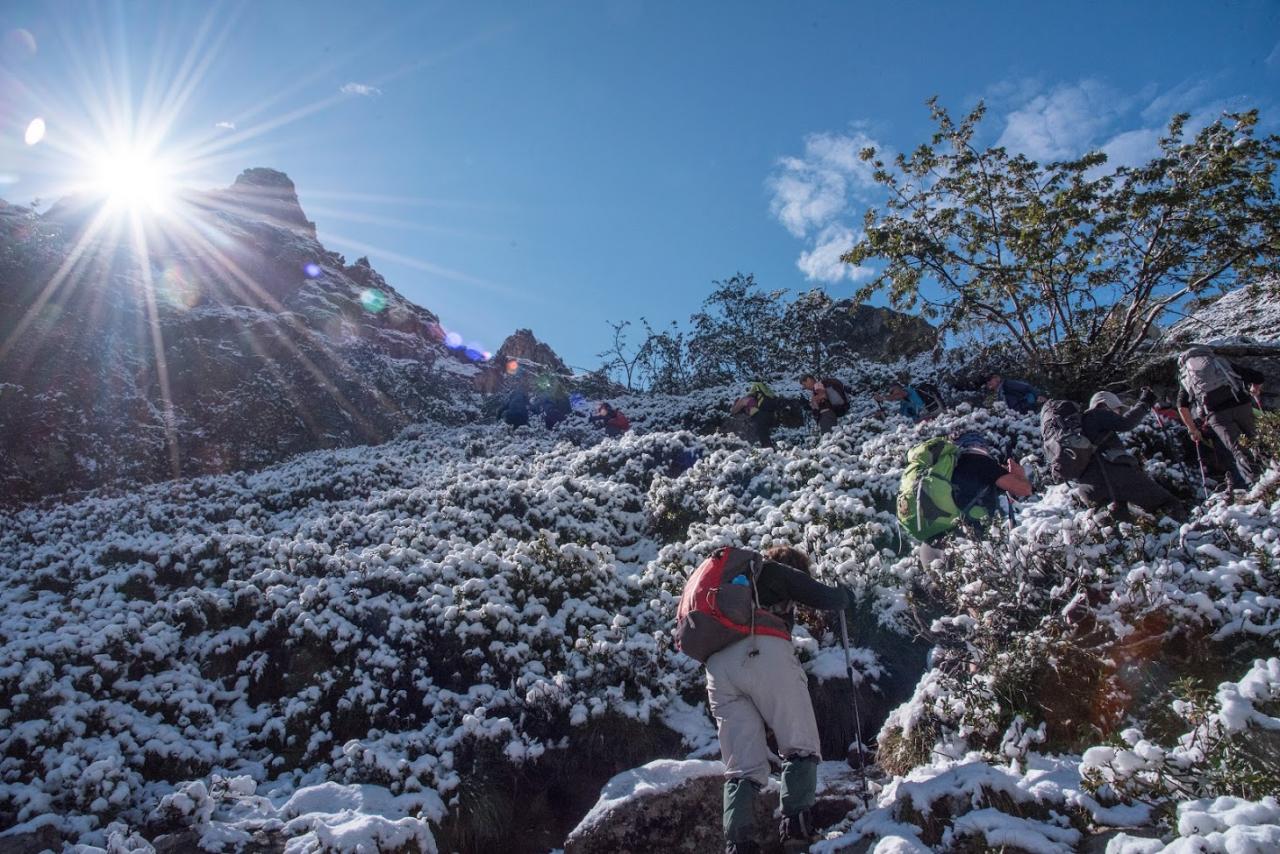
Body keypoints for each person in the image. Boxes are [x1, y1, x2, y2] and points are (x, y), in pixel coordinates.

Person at [677, 545, 849, 853]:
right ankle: (797, 829)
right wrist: (845, 593)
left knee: (741, 761)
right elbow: (829, 598)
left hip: (716, 668)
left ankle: (738, 843)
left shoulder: (731, 586)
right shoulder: (774, 572)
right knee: (799, 740)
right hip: (761, 650)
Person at [1078, 389, 1183, 520]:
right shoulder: (1096, 414)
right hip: (1115, 475)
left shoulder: (1082, 426)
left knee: (1120, 522)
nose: (1118, 413)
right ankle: (1187, 532)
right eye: (1117, 409)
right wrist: (1145, 403)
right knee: (1167, 502)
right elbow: (1126, 423)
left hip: (1089, 485)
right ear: (1104, 404)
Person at [1175, 348, 1266, 489]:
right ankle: (1273, 472)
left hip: (1217, 415)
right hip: (1241, 405)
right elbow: (1257, 376)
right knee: (1257, 439)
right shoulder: (1219, 363)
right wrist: (1255, 389)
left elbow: (1182, 406)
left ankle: (1257, 484)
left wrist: (1193, 430)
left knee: (1238, 449)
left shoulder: (1186, 376)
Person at [730, 382, 780, 447]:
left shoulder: (747, 399)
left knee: (762, 434)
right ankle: (770, 450)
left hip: (760, 416)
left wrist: (734, 408)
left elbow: (734, 410)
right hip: (772, 416)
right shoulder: (766, 397)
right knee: (764, 434)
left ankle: (768, 451)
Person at [875, 382, 943, 422]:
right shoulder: (904, 405)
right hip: (926, 423)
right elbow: (902, 419)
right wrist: (883, 416)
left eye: (893, 391)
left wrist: (884, 398)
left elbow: (896, 396)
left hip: (939, 416)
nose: (892, 394)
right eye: (890, 393)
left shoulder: (913, 392)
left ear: (900, 388)